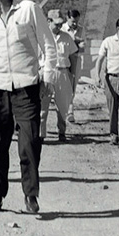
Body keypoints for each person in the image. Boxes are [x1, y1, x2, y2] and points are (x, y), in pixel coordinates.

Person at [0, 0, 58, 214]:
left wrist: (48, 77)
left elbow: (48, 44)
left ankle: (30, 194)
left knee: (30, 142)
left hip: (27, 88)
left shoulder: (28, 10)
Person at [40, 9, 79, 142]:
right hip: (47, 73)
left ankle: (61, 132)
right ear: (48, 21)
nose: (59, 26)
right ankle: (41, 134)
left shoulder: (67, 37)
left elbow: (73, 57)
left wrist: (72, 74)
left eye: (60, 24)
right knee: (43, 107)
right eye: (56, 24)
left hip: (62, 72)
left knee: (62, 106)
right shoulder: (41, 37)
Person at [95, 17, 119, 147]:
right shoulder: (108, 41)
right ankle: (114, 135)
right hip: (111, 78)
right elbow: (100, 59)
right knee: (112, 108)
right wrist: (98, 76)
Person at [61, 9, 85, 123]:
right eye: (72, 22)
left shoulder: (81, 30)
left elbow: (83, 47)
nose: (75, 24)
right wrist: (75, 42)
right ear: (67, 18)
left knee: (73, 84)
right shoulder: (62, 29)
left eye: (76, 21)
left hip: (75, 58)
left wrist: (73, 42)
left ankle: (70, 110)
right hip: (64, 59)